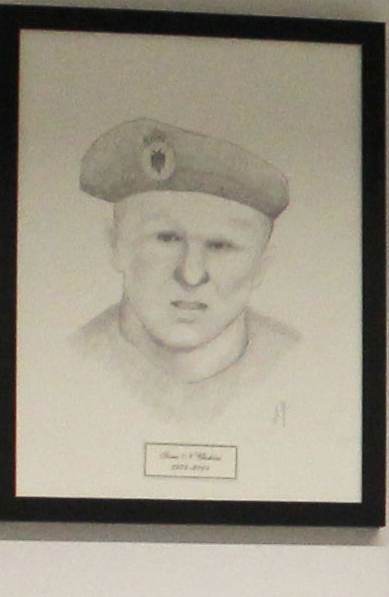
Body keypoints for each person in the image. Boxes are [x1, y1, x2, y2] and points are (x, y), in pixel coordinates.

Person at [71, 118, 312, 434]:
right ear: (116, 246)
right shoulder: (69, 363)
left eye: (221, 245)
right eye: (166, 238)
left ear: (261, 267)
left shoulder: (302, 367)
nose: (191, 274)